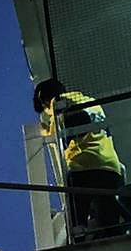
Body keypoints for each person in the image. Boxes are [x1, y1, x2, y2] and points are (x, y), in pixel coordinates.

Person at [35, 79, 125, 240]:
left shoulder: (59, 103)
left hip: (85, 168)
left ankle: (79, 233)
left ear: (45, 100)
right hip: (111, 167)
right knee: (110, 222)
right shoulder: (90, 101)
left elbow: (57, 137)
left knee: (77, 217)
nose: (47, 113)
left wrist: (44, 129)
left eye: (44, 109)